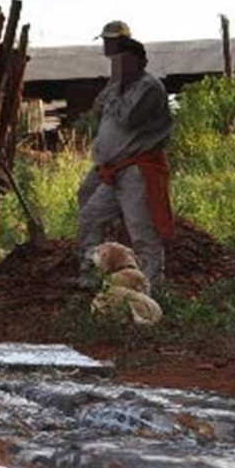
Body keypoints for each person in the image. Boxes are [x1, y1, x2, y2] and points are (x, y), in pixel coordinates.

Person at [76, 21, 174, 286]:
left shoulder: (148, 87)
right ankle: (92, 276)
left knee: (142, 230)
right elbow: (97, 110)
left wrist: (115, 88)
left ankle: (149, 287)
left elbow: (128, 117)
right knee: (90, 216)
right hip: (112, 170)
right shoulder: (117, 84)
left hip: (136, 170)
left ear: (140, 62)